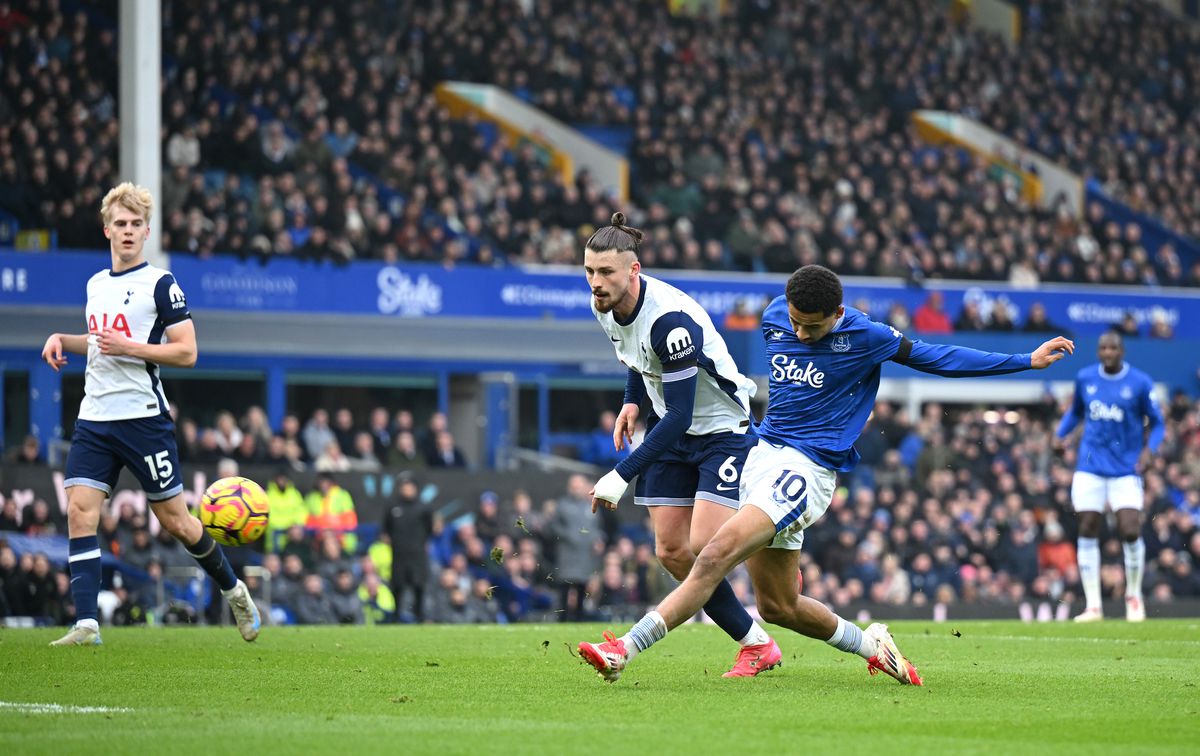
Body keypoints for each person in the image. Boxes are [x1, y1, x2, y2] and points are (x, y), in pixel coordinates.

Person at [579, 264, 1074, 685]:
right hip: (760, 453)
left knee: (711, 554)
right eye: (794, 322)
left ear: (836, 315)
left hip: (806, 468)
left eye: (811, 328)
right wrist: (635, 397)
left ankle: (625, 648)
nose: (798, 333)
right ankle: (873, 646)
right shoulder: (777, 314)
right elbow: (651, 355)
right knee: (778, 606)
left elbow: (936, 357)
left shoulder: (866, 336)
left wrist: (1023, 361)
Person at [39, 182, 259, 646]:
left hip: (143, 418)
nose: (128, 231)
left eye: (136, 224)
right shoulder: (96, 285)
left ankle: (234, 589)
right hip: (95, 417)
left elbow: (187, 352)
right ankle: (86, 625)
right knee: (80, 512)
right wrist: (64, 338)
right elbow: (100, 344)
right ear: (107, 230)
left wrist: (132, 347)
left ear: (146, 231)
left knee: (177, 521)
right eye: (120, 223)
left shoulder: (161, 284)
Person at [583, 212, 780, 677]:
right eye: (589, 271)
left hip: (721, 431)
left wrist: (621, 473)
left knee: (704, 544)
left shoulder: (671, 321)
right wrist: (632, 402)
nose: (596, 282)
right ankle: (756, 643)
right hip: (674, 434)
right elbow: (634, 355)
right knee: (672, 552)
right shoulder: (604, 303)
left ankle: (778, 553)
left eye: (606, 272)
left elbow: (680, 415)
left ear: (634, 270)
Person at [1055, 331, 1163, 622]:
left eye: (1113, 347)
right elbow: (1075, 412)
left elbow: (1158, 423)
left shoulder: (1139, 383)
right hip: (1089, 466)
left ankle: (1134, 597)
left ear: (1122, 351)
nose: (1108, 352)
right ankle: (1093, 606)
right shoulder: (1085, 378)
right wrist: (1060, 435)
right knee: (1088, 526)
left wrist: (1149, 450)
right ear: (1098, 351)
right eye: (1103, 347)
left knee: (1129, 528)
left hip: (1125, 468)